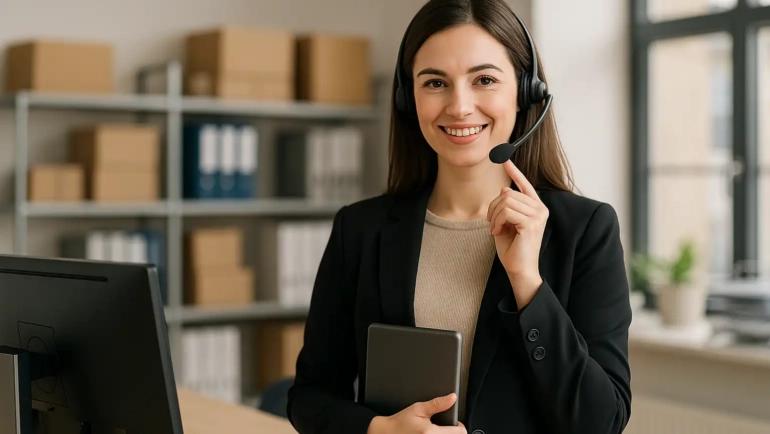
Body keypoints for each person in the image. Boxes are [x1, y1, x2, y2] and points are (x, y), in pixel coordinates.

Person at [286, 0, 632, 433]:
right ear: (406, 97)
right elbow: (310, 395)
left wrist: (528, 281)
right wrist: (380, 430)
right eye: (435, 83)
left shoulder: (585, 230)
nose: (460, 106)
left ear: (526, 93)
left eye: (484, 79)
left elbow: (603, 422)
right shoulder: (359, 230)